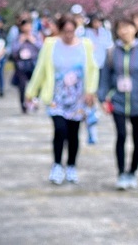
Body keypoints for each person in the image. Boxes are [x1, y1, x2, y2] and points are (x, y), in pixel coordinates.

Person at [26, 14, 99, 185]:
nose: (69, 35)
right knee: (60, 130)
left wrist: (91, 91)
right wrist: (31, 92)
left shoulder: (85, 45)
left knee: (73, 133)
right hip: (56, 98)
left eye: (72, 31)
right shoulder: (50, 45)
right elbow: (40, 69)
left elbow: (93, 69)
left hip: (78, 98)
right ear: (59, 30)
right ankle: (57, 165)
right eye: (65, 31)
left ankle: (72, 166)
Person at [99, 15, 138, 191]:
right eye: (121, 28)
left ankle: (132, 172)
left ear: (135, 29)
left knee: (137, 138)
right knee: (120, 136)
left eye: (128, 27)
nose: (124, 31)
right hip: (118, 101)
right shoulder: (111, 52)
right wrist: (103, 98)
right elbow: (104, 78)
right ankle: (120, 173)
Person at [8, 15, 42, 113]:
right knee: (22, 86)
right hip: (21, 65)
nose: (26, 28)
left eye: (28, 25)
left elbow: (41, 49)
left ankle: (34, 102)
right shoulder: (18, 37)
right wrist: (21, 41)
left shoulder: (36, 36)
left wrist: (33, 40)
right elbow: (13, 51)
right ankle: (24, 105)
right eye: (24, 26)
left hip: (34, 63)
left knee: (35, 85)